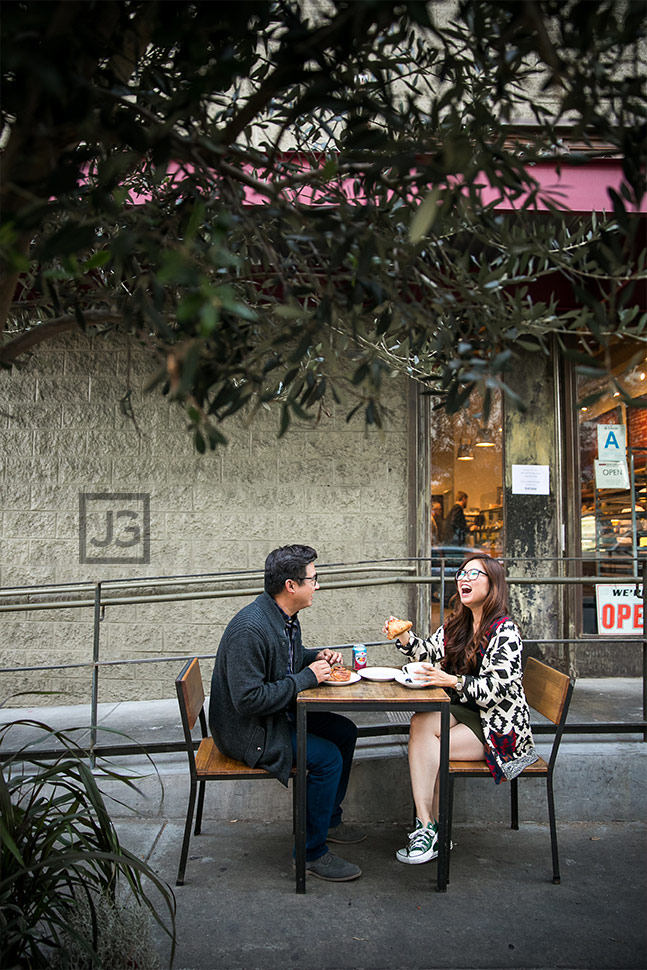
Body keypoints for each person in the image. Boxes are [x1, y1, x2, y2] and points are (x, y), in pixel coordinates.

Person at [209, 544, 365, 882]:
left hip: (272, 716)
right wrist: (307, 677)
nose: (318, 586)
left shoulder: (283, 618)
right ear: (291, 586)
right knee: (327, 759)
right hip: (248, 732)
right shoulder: (250, 629)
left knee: (346, 732)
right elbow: (247, 700)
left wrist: (312, 657)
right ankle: (310, 853)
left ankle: (328, 820)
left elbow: (282, 661)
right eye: (313, 579)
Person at [383, 553, 537, 865]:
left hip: (499, 725)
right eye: (461, 574)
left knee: (430, 748)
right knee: (421, 722)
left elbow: (497, 690)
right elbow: (426, 653)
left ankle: (430, 831)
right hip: (469, 711)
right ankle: (429, 826)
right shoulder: (459, 623)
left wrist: (451, 681)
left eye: (473, 574)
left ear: (492, 584)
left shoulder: (505, 631)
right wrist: (404, 636)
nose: (463, 579)